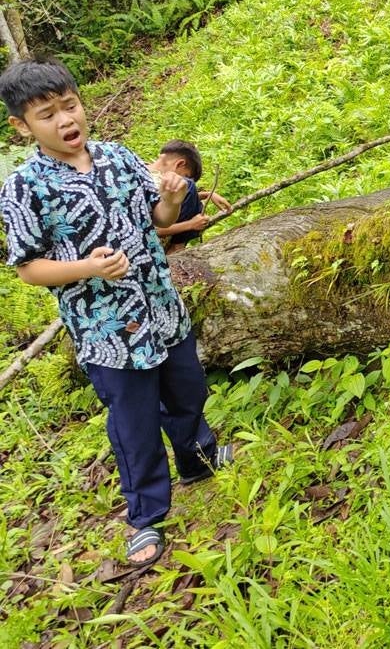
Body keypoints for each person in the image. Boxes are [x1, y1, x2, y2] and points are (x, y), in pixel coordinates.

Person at [0, 58, 233, 567]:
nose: (66, 120)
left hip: (161, 309)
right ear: (23, 126)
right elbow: (28, 268)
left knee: (188, 391)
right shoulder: (24, 188)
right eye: (47, 114)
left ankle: (199, 461)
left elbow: (157, 219)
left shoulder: (119, 157)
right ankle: (146, 516)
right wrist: (85, 267)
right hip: (106, 333)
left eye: (70, 105)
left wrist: (171, 201)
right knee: (134, 424)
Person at [149, 139, 231, 254]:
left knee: (193, 197)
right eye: (186, 176)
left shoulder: (138, 175)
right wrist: (190, 225)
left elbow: (167, 200)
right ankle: (177, 248)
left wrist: (205, 195)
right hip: (149, 248)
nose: (184, 181)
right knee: (189, 187)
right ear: (180, 164)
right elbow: (151, 229)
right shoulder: (159, 182)